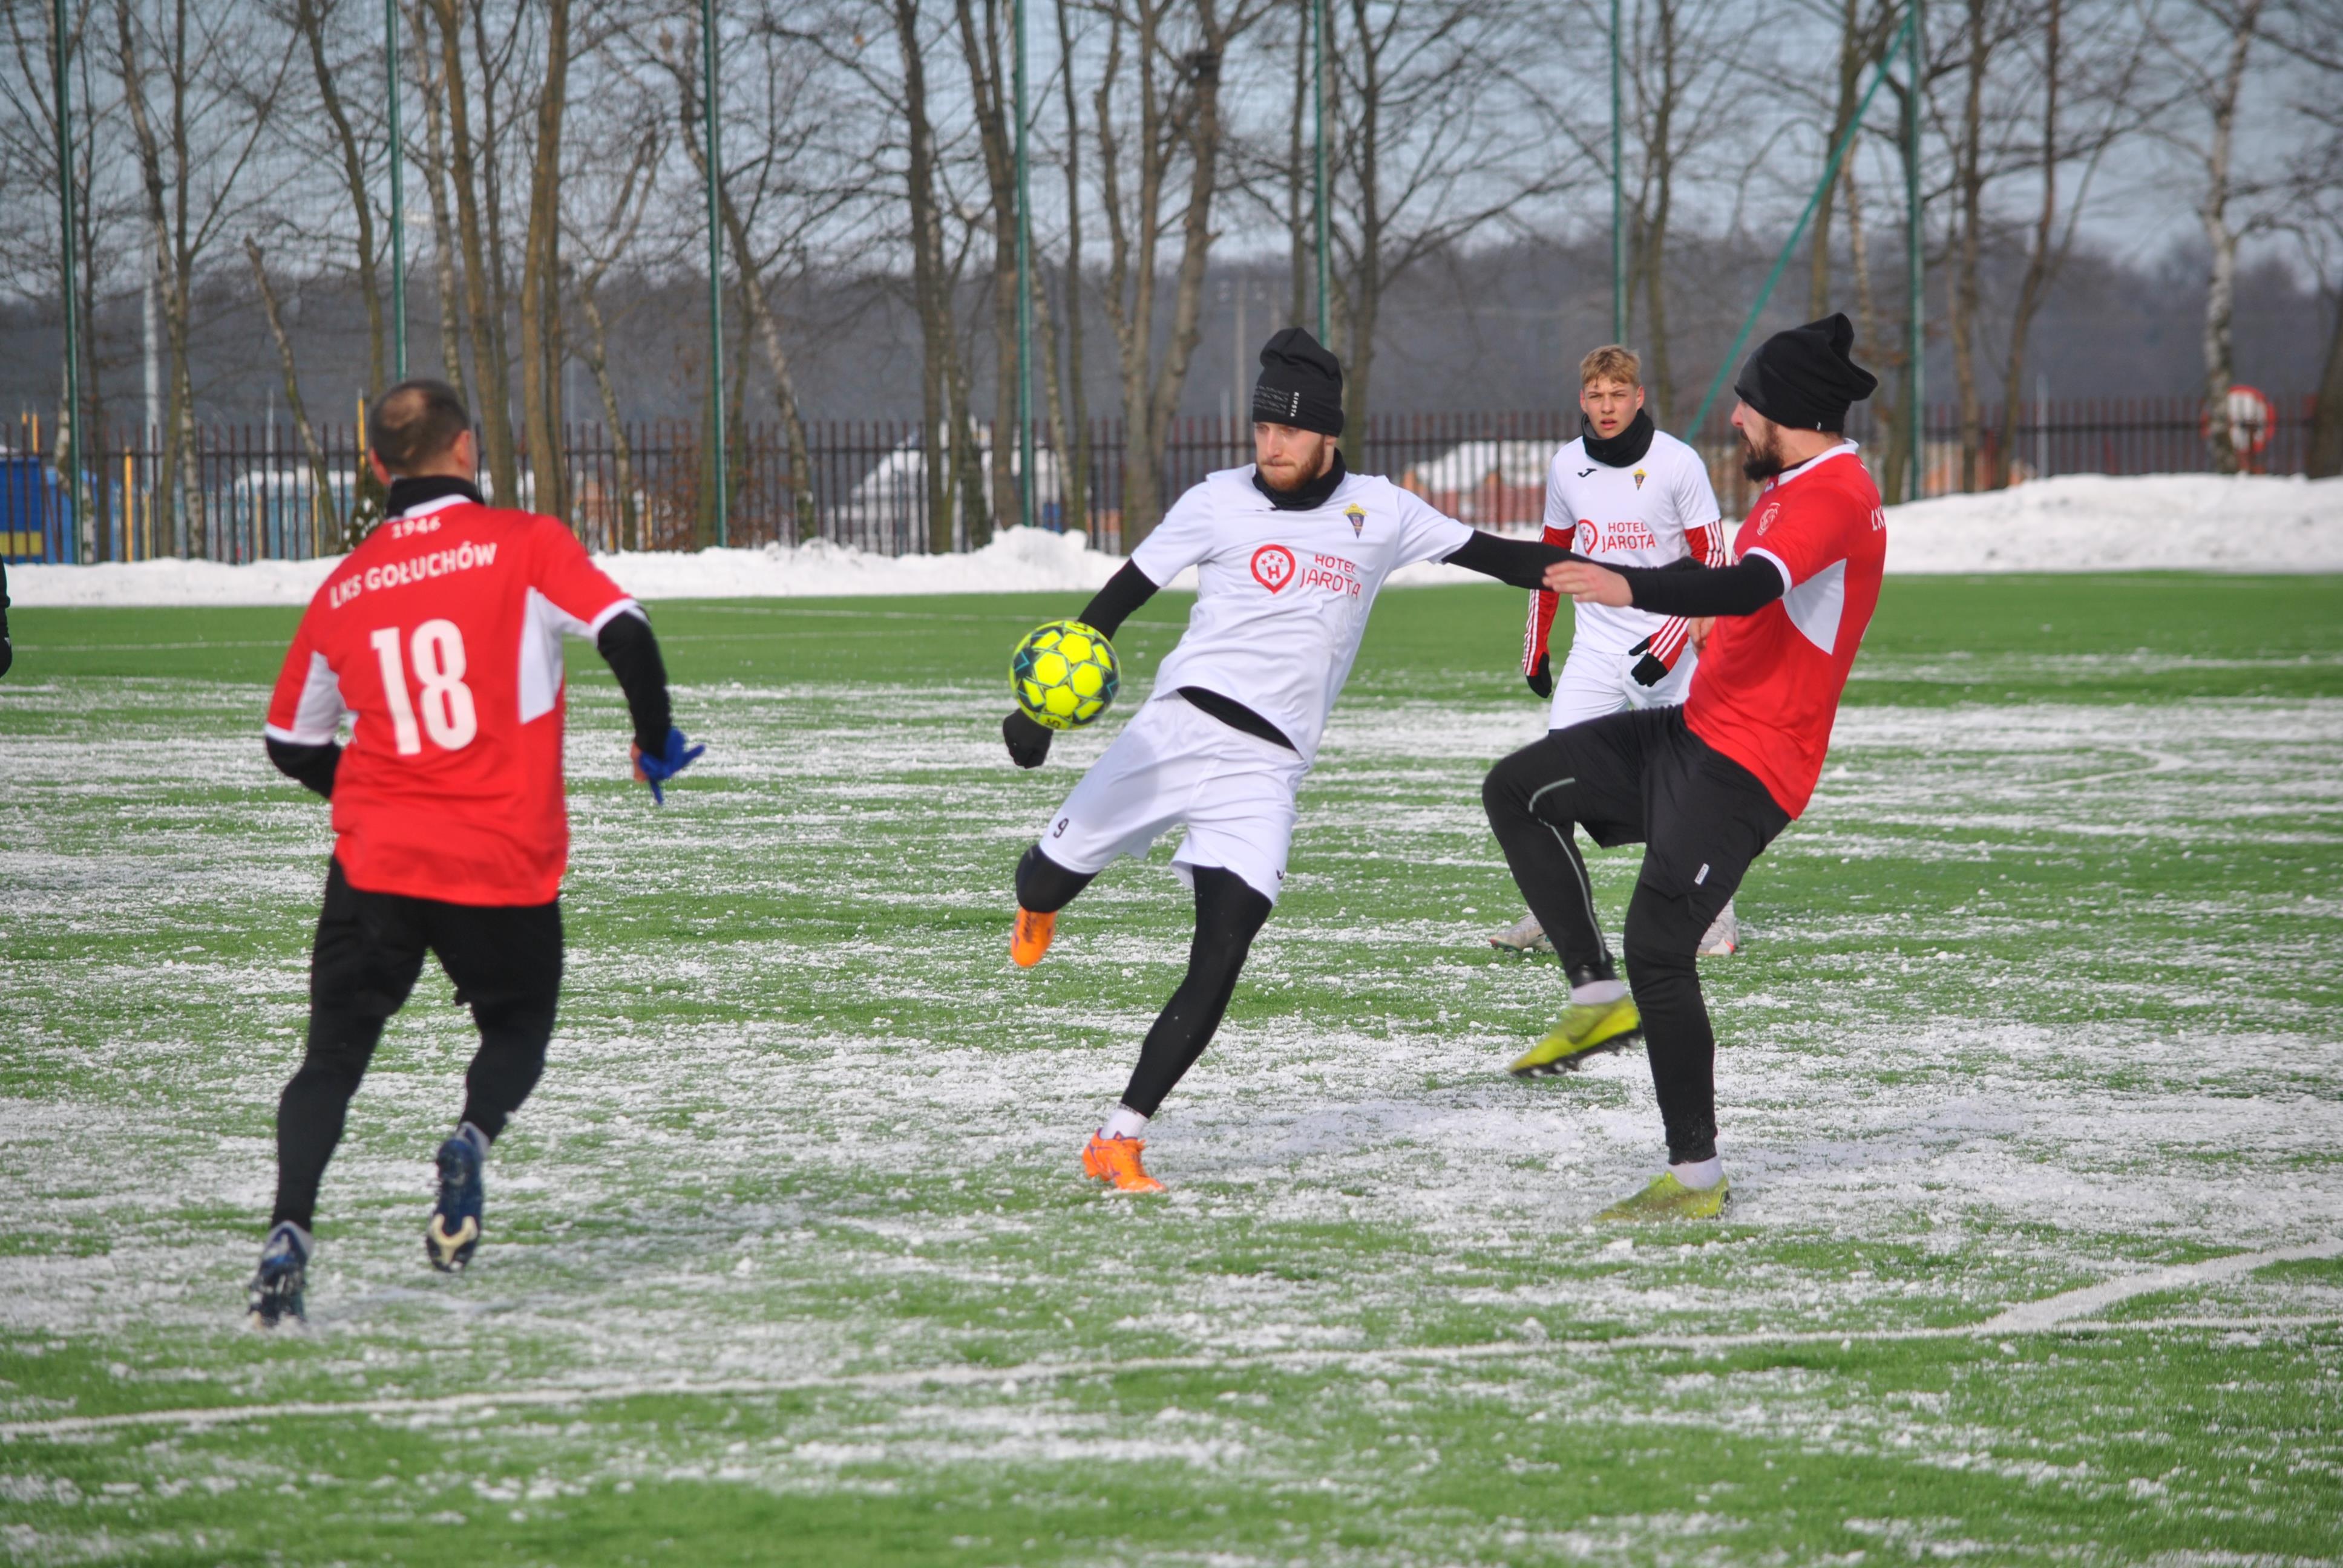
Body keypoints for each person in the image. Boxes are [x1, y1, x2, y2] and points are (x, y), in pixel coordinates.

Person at [1003, 327, 1581, 1194]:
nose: (1271, 445)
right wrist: (1037, 713)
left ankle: (1118, 1138)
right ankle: (1040, 901)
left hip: (1265, 770)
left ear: (1328, 435)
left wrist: (1626, 577)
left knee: (1223, 949)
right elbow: (1119, 598)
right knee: (1044, 882)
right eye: (1262, 427)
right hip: (1175, 732)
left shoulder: (1383, 511)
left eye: (1290, 430)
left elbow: (1500, 557)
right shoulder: (1215, 500)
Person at [247, 379, 703, 1326]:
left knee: (329, 1063)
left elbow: (290, 741)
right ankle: (469, 1139)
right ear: (465, 450)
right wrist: (654, 740)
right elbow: (625, 630)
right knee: (518, 1027)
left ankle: (288, 1234)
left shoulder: (345, 586)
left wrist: (376, 794)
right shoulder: (525, 544)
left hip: (376, 864)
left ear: (377, 467)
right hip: (500, 858)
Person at [1481, 313, 1885, 1221]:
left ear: (1790, 412)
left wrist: (1630, 586)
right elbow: (1749, 597)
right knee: (1518, 787)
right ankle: (1595, 997)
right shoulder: (1794, 481)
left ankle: (1695, 1180)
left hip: (1749, 766)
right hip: (1693, 731)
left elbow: (1746, 583)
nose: (1735, 419)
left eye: (1748, 406)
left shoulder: (1832, 493)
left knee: (1661, 948)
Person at [1488, 345, 1742, 975]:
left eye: (1618, 395)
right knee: (1544, 784)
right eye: (1596, 396)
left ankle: (1716, 912)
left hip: (1673, 650)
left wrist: (1668, 642)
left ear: (1638, 397)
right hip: (1597, 648)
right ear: (1583, 399)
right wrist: (1535, 643)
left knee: (1695, 781)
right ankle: (1554, 914)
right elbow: (1550, 558)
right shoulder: (1565, 466)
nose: (1607, 407)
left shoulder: (1677, 463)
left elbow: (1714, 561)